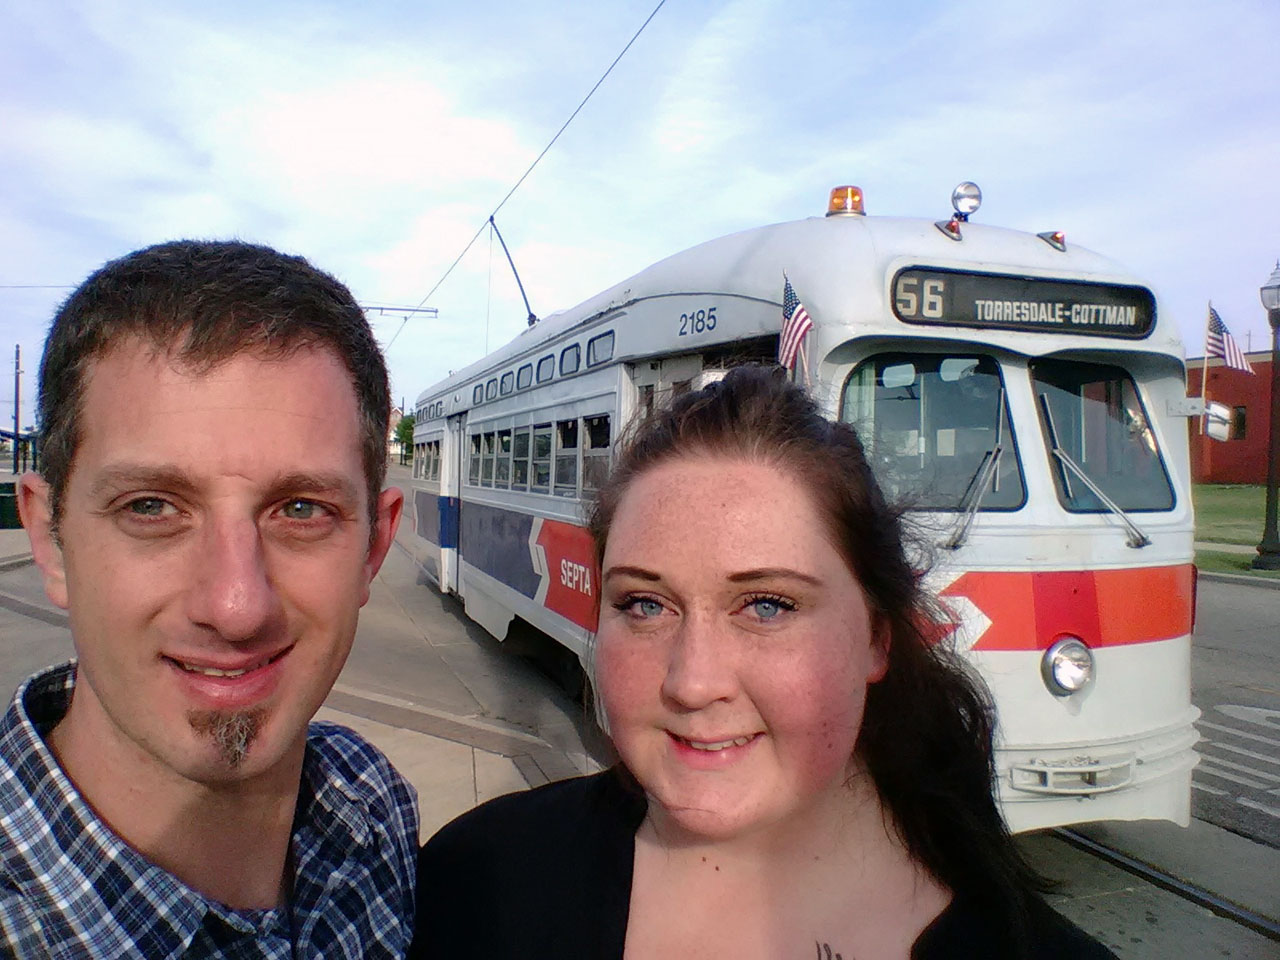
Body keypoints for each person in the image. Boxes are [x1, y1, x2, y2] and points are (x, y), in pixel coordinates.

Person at [412, 365, 1116, 959]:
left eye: (768, 606)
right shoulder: (477, 882)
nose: (693, 681)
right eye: (645, 605)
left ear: (877, 636)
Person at [1, 240, 418, 957]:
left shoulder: (372, 807)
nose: (236, 605)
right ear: (48, 534)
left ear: (373, 548)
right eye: (152, 506)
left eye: (300, 510)